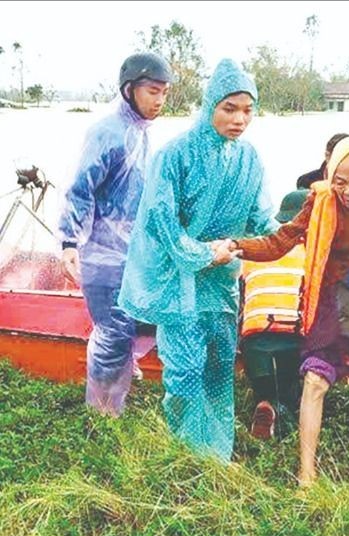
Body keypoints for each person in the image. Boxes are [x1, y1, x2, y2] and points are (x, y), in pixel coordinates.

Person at [118, 59, 278, 462]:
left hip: (221, 286)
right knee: (185, 374)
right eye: (230, 108)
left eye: (248, 110)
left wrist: (301, 226)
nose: (240, 119)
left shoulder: (250, 160)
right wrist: (204, 253)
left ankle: (216, 458)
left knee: (219, 371)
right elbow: (160, 221)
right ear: (210, 106)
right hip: (179, 283)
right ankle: (187, 457)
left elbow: (262, 219)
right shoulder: (175, 155)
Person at [232, 137, 349, 487]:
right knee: (314, 381)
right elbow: (280, 241)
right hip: (337, 294)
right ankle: (306, 475)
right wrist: (237, 246)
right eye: (340, 181)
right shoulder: (321, 201)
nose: (348, 191)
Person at [57, 52, 172, 416]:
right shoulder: (108, 133)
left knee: (131, 327)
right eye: (153, 91)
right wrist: (69, 241)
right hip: (102, 255)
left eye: (165, 93)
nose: (160, 101)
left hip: (132, 254)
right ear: (129, 89)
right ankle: (102, 413)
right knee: (110, 333)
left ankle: (114, 399)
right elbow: (81, 188)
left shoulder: (140, 135)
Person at [240, 189, 307, 440]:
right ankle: (283, 428)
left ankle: (265, 406)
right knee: (290, 389)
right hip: (292, 333)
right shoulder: (310, 255)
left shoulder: (257, 253)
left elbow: (242, 288)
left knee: (264, 389)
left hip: (254, 335)